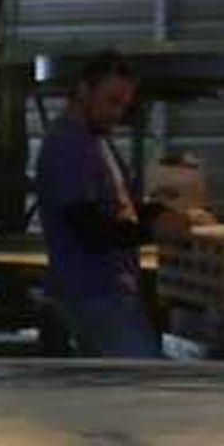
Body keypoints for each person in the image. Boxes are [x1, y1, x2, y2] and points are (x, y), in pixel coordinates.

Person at [35, 51, 166, 358]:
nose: (118, 113)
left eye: (123, 104)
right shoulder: (68, 145)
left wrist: (163, 214)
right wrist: (155, 230)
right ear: (83, 91)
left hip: (108, 290)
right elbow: (87, 226)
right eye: (112, 100)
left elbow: (120, 209)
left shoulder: (94, 141)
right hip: (92, 292)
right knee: (142, 382)